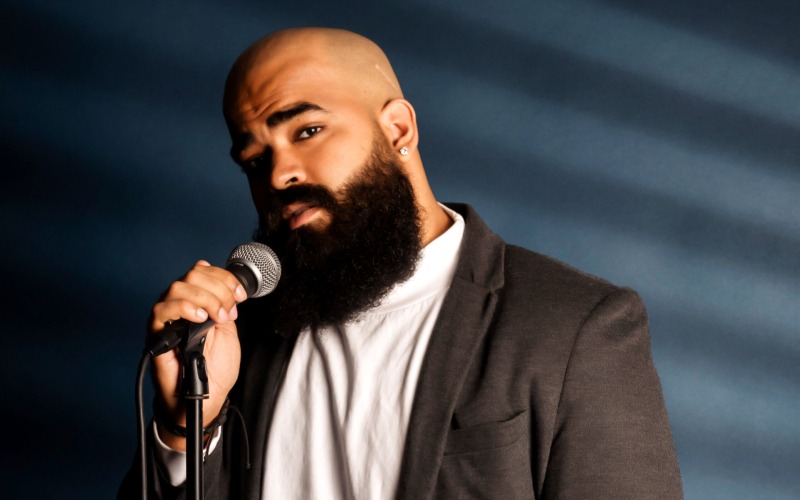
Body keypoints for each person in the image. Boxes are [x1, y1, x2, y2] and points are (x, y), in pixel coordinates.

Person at [120, 27, 682, 499]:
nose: (279, 175)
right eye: (254, 160)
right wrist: (185, 427)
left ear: (398, 130)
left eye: (307, 131)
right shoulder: (232, 341)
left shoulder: (575, 327)